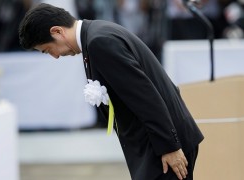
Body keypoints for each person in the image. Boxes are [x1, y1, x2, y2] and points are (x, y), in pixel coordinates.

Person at [18, 3, 204, 180]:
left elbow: (144, 96)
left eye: (48, 50)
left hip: (163, 147)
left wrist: (169, 146)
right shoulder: (95, 35)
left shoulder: (99, 42)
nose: (55, 56)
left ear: (57, 31)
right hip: (155, 144)